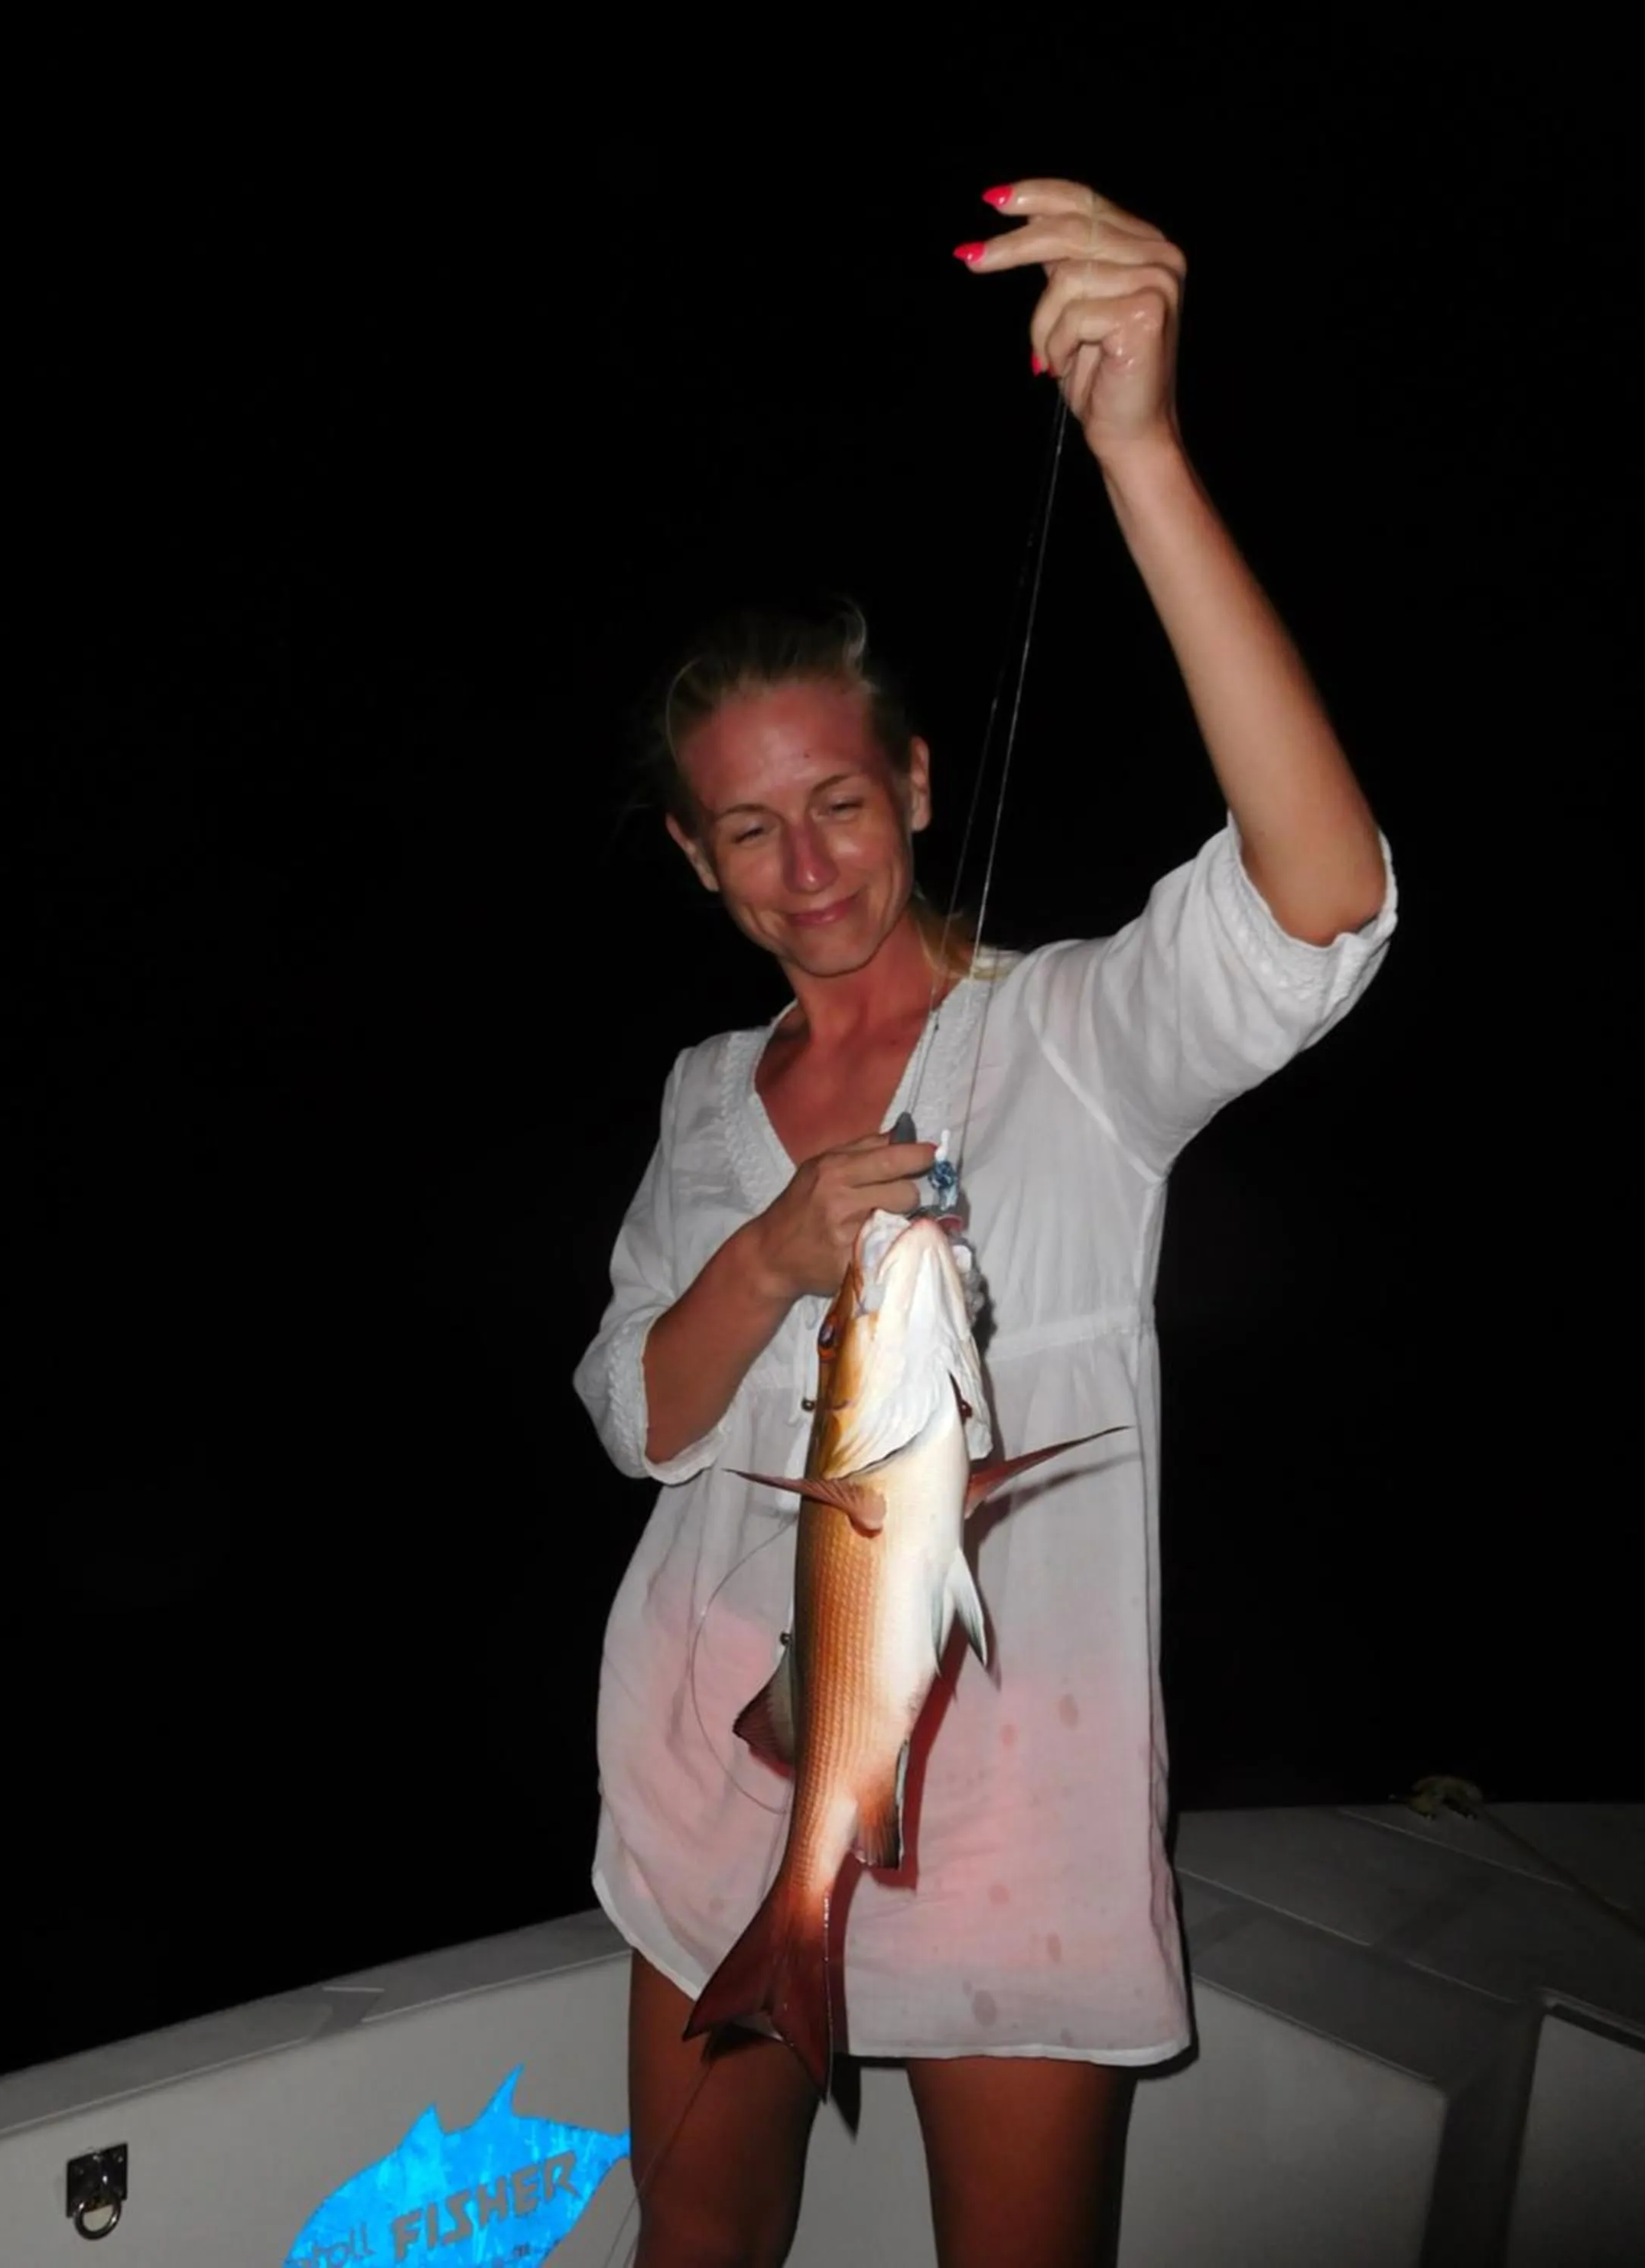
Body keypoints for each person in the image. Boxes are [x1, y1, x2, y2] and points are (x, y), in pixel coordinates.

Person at [573, 178, 1395, 2268]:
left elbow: (1320, 909)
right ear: (697, 861)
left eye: (841, 801)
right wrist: (771, 1258)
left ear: (922, 784)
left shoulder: (1074, 1045)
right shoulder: (702, 1099)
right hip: (715, 1774)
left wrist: (1143, 456)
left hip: (1022, 1797)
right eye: (748, 829)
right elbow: (640, 1419)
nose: (808, 866)